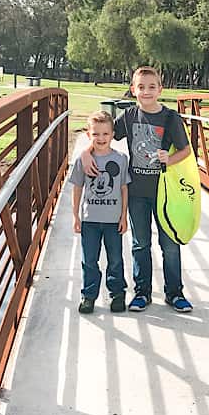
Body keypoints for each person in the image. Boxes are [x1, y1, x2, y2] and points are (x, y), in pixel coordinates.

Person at [81, 66, 194, 313]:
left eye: (151, 86)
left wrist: (169, 159)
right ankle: (142, 292)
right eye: (141, 87)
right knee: (140, 243)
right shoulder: (130, 116)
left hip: (165, 194)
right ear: (133, 90)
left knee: (170, 244)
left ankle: (174, 293)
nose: (146, 91)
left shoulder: (170, 118)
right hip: (137, 193)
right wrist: (86, 151)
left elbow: (185, 151)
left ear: (160, 89)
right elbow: (104, 135)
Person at [69, 111, 130, 314]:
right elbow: (77, 187)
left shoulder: (120, 159)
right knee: (89, 260)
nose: (101, 139)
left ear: (112, 134)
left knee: (115, 258)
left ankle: (117, 293)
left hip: (113, 220)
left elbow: (123, 188)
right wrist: (75, 216)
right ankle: (89, 296)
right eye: (96, 134)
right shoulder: (82, 160)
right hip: (90, 220)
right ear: (88, 135)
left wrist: (124, 215)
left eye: (105, 134)